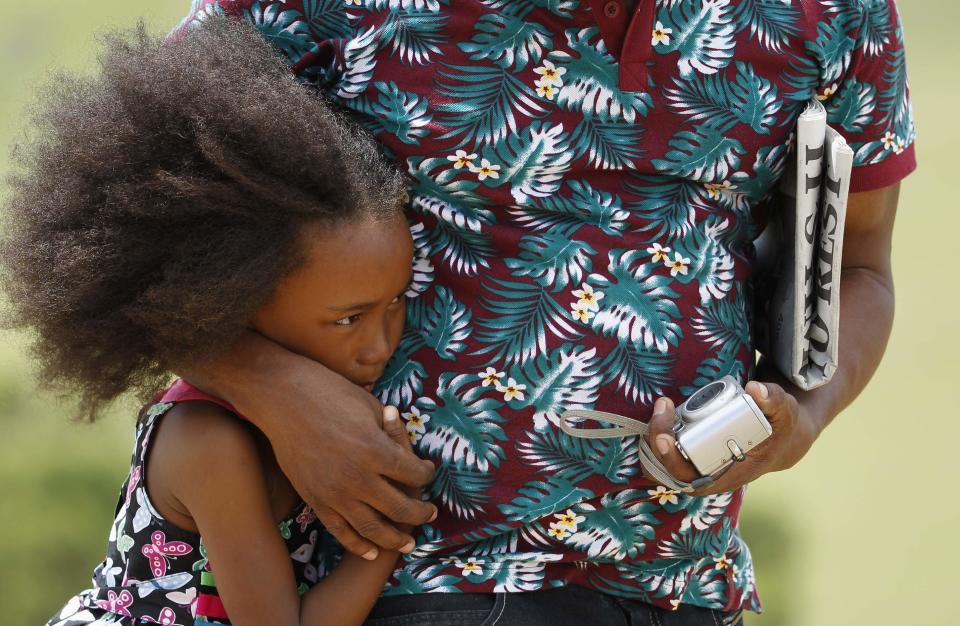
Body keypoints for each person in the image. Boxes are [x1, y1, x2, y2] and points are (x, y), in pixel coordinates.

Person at [168, 1, 916, 624]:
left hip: (684, 586)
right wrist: (270, 388)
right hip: (404, 585)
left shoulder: (835, 12)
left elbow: (859, 266)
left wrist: (803, 418)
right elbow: (109, 232)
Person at [1, 19, 431, 626]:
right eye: (348, 319)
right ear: (232, 300)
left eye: (396, 302)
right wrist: (393, 530)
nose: (379, 345)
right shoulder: (211, 444)